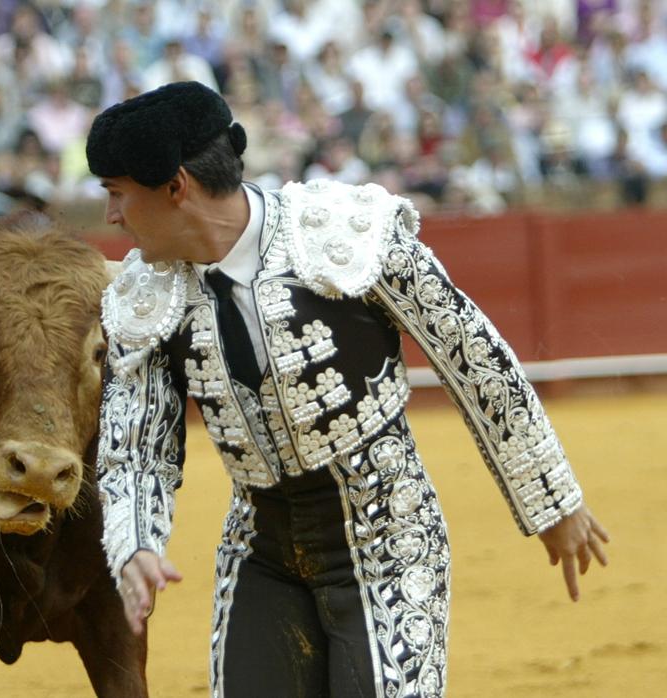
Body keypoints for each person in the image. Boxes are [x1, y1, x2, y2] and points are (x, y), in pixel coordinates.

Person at [89, 81, 610, 697]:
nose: (111, 217)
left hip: (389, 537)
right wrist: (135, 546)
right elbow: (134, 443)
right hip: (262, 553)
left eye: (118, 194)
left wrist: (554, 502)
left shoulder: (342, 233)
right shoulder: (143, 294)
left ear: (176, 186)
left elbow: (473, 355)